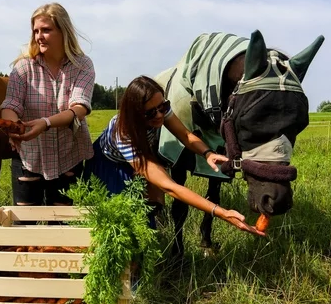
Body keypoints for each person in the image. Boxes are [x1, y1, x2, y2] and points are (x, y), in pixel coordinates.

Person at [84, 75, 265, 237]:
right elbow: (170, 187)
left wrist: (207, 153)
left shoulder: (159, 109)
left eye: (163, 106)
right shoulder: (123, 134)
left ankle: (143, 259)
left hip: (139, 155)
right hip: (110, 165)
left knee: (145, 217)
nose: (160, 115)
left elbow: (185, 135)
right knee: (118, 222)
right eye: (150, 112)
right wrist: (221, 212)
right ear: (135, 114)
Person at [0, 3, 95, 206]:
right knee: (25, 224)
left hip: (70, 155)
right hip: (29, 157)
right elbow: (11, 104)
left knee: (64, 226)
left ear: (63, 31)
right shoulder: (23, 68)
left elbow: (79, 108)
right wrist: (13, 127)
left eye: (46, 30)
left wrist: (45, 123)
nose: (39, 36)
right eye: (36, 31)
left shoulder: (82, 65)